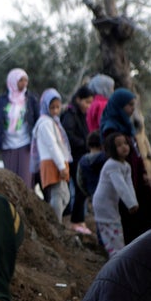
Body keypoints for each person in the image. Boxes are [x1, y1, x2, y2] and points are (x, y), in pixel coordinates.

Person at [99, 88, 151, 244]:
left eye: (132, 105)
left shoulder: (126, 125)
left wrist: (142, 171)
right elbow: (116, 157)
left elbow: (135, 152)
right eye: (128, 105)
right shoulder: (111, 128)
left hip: (136, 178)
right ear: (119, 105)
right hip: (124, 181)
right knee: (133, 219)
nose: (131, 109)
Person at [92, 132, 139, 258]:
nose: (124, 147)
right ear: (112, 149)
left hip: (111, 204)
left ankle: (117, 257)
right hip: (103, 205)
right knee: (113, 232)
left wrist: (134, 203)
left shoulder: (126, 166)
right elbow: (120, 186)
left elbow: (129, 185)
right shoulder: (112, 165)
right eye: (119, 145)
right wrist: (131, 204)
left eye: (125, 143)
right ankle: (116, 258)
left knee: (115, 231)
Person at [0, 68, 40, 186]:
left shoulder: (31, 99)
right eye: (20, 80)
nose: (24, 83)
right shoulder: (2, 101)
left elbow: (38, 120)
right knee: (11, 181)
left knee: (25, 180)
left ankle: (26, 205)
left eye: (25, 80)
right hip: (7, 144)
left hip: (26, 144)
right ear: (13, 81)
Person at [32, 88, 72, 223]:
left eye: (57, 107)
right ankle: (56, 222)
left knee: (64, 195)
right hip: (52, 162)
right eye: (52, 107)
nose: (55, 110)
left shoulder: (53, 121)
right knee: (58, 194)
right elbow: (52, 145)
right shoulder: (45, 123)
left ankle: (55, 221)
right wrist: (61, 166)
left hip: (57, 161)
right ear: (45, 106)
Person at [61, 85, 94, 235]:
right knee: (79, 189)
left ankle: (79, 220)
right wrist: (84, 143)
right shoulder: (70, 115)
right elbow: (69, 135)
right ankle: (75, 221)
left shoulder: (81, 115)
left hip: (82, 155)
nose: (88, 106)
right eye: (86, 102)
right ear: (78, 99)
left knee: (82, 190)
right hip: (74, 157)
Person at [76, 131, 107, 212]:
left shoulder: (82, 161)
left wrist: (88, 193)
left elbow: (80, 180)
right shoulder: (105, 158)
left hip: (93, 193)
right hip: (108, 193)